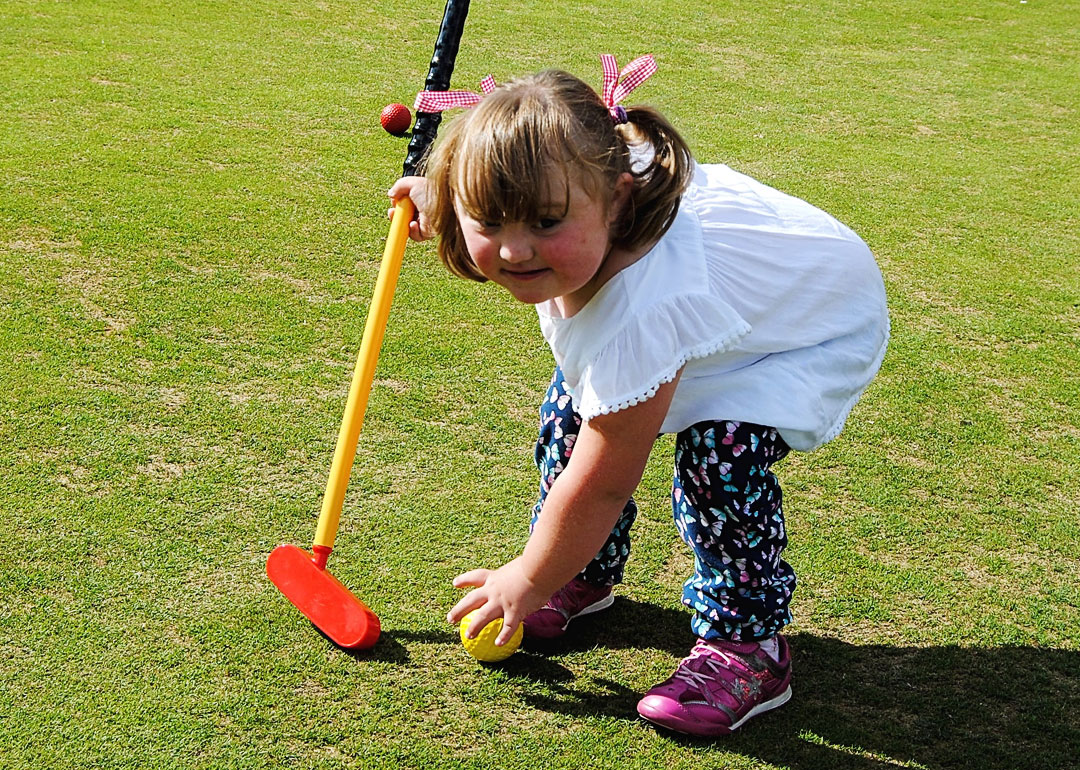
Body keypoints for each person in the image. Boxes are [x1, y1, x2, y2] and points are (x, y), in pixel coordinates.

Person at [387, 55, 889, 737]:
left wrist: (525, 579)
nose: (513, 250)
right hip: (732, 311)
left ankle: (750, 648)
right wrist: (438, 200)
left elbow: (602, 484)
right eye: (490, 219)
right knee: (574, 414)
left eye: (543, 222)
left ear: (618, 199)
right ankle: (583, 573)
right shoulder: (584, 166)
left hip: (808, 330)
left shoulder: (642, 305)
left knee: (720, 458)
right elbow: (499, 194)